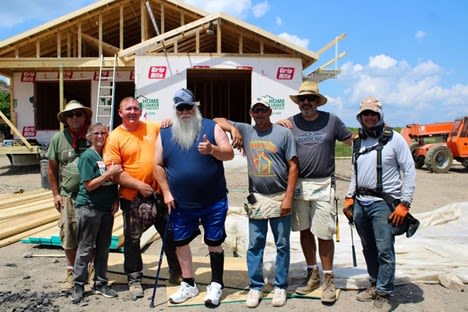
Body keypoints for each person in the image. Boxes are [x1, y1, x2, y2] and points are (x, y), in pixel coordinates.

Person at [214, 96, 299, 308]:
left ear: (270, 112)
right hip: (257, 198)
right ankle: (255, 286)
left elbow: (294, 166)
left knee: (282, 244)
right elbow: (217, 119)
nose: (260, 114)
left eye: (263, 111)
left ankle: (280, 286)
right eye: (256, 111)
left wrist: (289, 197)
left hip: (280, 196)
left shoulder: (283, 133)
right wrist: (233, 130)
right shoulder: (246, 130)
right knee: (255, 244)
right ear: (251, 113)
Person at [153, 88, 234, 308]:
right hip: (180, 202)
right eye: (180, 108)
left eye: (189, 106)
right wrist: (166, 192)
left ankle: (216, 284)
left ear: (195, 107)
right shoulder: (165, 132)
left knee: (214, 242)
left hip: (213, 200)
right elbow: (157, 165)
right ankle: (188, 284)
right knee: (180, 242)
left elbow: (229, 153)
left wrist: (212, 149)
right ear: (176, 110)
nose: (185, 111)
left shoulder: (211, 127)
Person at [279, 80, 353, 304]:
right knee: (304, 230)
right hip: (299, 185)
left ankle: (328, 279)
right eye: (302, 99)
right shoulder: (289, 124)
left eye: (310, 98)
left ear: (317, 101)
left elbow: (353, 143)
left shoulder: (332, 121)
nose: (306, 102)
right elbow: (268, 137)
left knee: (324, 232)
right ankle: (312, 274)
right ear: (298, 102)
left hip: (323, 184)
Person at [103, 96, 181, 301]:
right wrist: (139, 185)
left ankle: (177, 273)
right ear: (120, 112)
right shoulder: (115, 137)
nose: (132, 112)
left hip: (158, 194)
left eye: (136, 109)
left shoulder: (152, 128)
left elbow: (173, 130)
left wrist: (168, 121)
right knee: (132, 240)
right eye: (128, 109)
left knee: (171, 235)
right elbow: (113, 171)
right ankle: (134, 278)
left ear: (140, 111)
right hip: (133, 197)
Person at [342, 96, 416, 312]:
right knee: (368, 247)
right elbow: (355, 171)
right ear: (360, 117)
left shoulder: (394, 140)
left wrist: (405, 203)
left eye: (373, 113)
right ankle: (375, 284)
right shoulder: (358, 141)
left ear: (380, 115)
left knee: (384, 249)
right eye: (366, 114)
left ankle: (384, 292)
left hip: (383, 204)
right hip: (361, 203)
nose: (370, 117)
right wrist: (349, 197)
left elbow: (410, 171)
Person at [70, 123, 123, 303]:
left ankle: (100, 283)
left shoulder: (108, 155)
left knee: (103, 248)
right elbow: (89, 185)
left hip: (106, 209)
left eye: (104, 133)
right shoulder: (88, 156)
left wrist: (115, 198)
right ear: (90, 136)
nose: (101, 136)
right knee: (85, 248)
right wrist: (109, 174)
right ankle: (78, 285)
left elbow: (115, 181)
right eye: (97, 133)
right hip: (89, 207)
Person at [47, 100, 92, 293]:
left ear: (84, 116)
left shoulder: (93, 137)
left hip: (92, 196)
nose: (75, 118)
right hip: (68, 196)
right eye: (71, 115)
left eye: (78, 114)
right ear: (65, 119)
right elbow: (51, 169)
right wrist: (55, 194)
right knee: (68, 235)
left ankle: (89, 272)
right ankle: (71, 272)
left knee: (90, 235)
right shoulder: (58, 139)